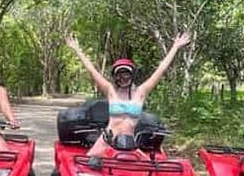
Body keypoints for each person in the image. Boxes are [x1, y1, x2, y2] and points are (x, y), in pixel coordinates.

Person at [66, 31, 191, 163]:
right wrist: (77, 50)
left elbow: (160, 70)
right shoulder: (110, 91)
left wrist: (175, 47)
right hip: (107, 140)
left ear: (132, 75)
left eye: (126, 74)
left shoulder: (141, 92)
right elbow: (92, 71)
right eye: (119, 74)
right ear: (115, 77)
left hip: (130, 143)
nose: (123, 78)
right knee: (84, 166)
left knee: (149, 171)